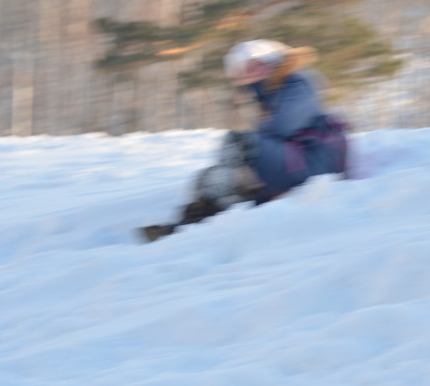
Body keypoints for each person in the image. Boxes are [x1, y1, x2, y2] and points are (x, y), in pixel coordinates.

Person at [140, 40, 351, 242]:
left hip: (317, 161)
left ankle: (216, 215)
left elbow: (284, 125)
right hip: (300, 159)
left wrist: (257, 136)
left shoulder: (299, 81)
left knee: (238, 144)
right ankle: (196, 222)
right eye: (240, 69)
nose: (243, 75)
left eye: (249, 67)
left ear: (268, 64)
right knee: (208, 178)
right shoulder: (272, 91)